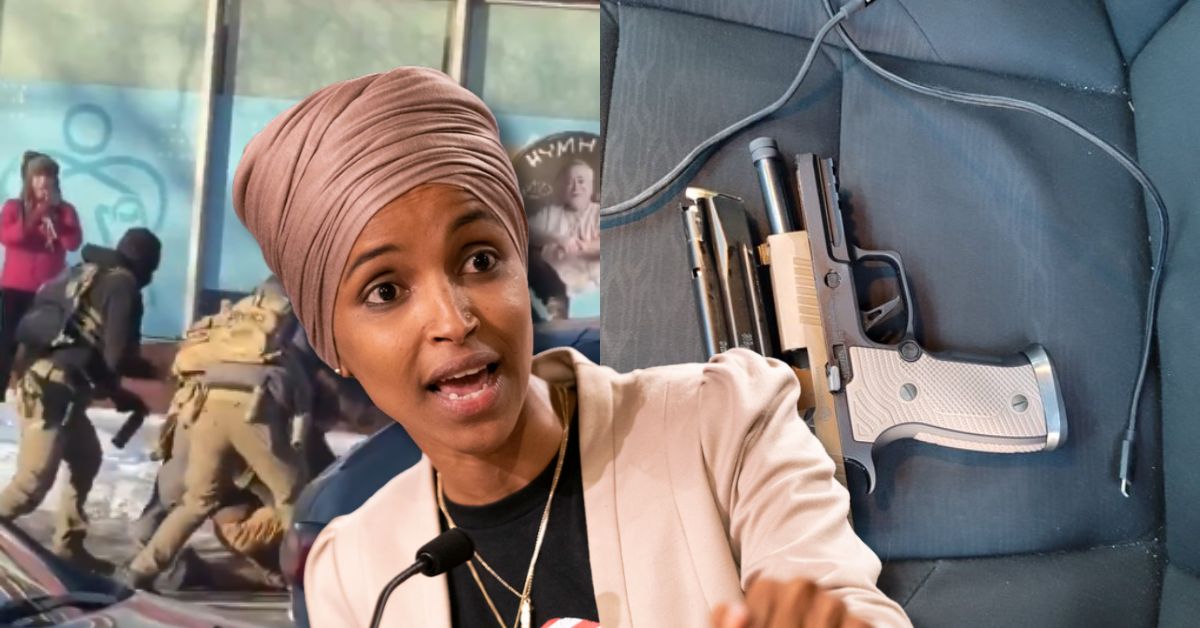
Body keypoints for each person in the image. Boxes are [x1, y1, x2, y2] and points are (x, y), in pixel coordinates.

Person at [231, 67, 910, 628]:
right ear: (333, 345)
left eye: (478, 259)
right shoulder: (355, 574)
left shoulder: (726, 423)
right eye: (385, 292)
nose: (453, 318)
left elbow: (847, 608)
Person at [119, 275, 313, 589]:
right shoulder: (281, 344)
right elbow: (301, 408)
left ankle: (139, 571)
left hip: (204, 407)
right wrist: (295, 451)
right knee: (296, 498)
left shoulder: (224, 330)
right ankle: (307, 579)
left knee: (198, 501)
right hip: (252, 409)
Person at [0, 228, 160, 572]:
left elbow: (82, 349)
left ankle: (69, 545)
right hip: (52, 389)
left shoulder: (82, 272)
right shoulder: (124, 286)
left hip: (51, 382)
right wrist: (161, 372)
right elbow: (117, 358)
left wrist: (117, 394)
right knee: (31, 484)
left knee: (87, 457)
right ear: (147, 265)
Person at [0, 152, 83, 397]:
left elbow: (72, 243)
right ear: (29, 179)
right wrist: (37, 213)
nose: (43, 181)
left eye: (48, 175)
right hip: (15, 287)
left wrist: (54, 218)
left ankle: (34, 393)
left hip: (49, 290)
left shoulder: (65, 210)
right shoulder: (14, 207)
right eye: (37, 175)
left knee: (42, 344)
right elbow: (10, 237)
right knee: (6, 341)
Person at [527, 159, 601, 303]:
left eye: (581, 181)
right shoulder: (550, 213)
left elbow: (610, 243)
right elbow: (524, 230)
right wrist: (559, 239)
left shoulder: (600, 212)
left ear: (591, 186)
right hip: (554, 296)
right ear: (562, 188)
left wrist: (582, 247)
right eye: (569, 182)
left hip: (596, 294)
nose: (575, 187)